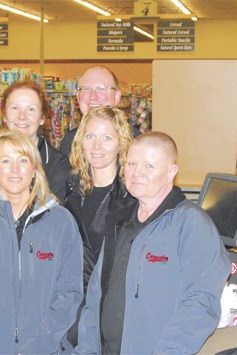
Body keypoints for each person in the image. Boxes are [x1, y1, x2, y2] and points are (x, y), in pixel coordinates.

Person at [75, 132, 231, 354]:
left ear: (171, 173)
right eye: (131, 163)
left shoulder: (191, 224)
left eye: (149, 166)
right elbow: (95, 294)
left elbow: (201, 304)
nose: (137, 173)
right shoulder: (119, 221)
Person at [0, 130, 83, 354]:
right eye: (5, 160)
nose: (14, 169)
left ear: (34, 170)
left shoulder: (61, 222)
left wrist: (41, 345)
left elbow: (69, 293)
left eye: (23, 160)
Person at [64, 106, 133, 347]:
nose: (97, 146)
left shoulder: (131, 198)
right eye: (90, 136)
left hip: (113, 313)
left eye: (107, 138)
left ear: (120, 143)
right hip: (74, 306)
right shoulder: (72, 189)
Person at [0, 80, 71, 201]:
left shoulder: (57, 164)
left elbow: (52, 213)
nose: (22, 116)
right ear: (4, 116)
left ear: (42, 118)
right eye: (14, 108)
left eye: (31, 109)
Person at [59, 66, 140, 157]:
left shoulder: (136, 142)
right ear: (78, 96)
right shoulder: (69, 142)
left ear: (116, 96)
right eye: (86, 89)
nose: (92, 96)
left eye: (101, 89)